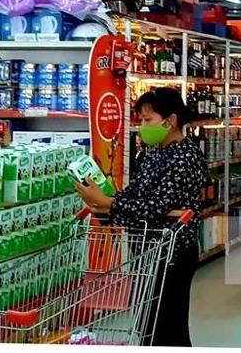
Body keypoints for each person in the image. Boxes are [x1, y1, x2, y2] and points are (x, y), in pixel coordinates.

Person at [74, 87, 206, 347]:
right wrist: (103, 201)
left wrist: (108, 203)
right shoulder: (153, 152)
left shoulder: (187, 156)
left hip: (172, 254)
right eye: (141, 120)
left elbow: (157, 205)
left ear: (170, 120)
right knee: (148, 323)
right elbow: (135, 195)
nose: (143, 126)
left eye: (148, 120)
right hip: (146, 249)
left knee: (167, 326)